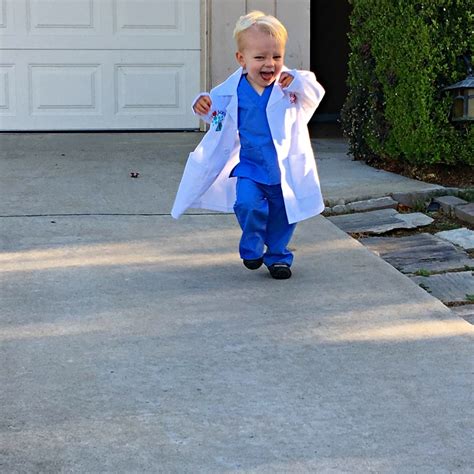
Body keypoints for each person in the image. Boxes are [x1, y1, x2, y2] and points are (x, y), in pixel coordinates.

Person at [171, 11, 325, 279]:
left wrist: (298, 82)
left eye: (276, 56)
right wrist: (202, 104)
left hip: (284, 167)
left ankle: (278, 257)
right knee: (247, 204)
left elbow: (315, 93)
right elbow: (216, 113)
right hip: (251, 167)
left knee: (284, 214)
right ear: (241, 60)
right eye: (260, 57)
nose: (270, 64)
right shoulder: (233, 90)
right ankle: (252, 244)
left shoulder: (289, 86)